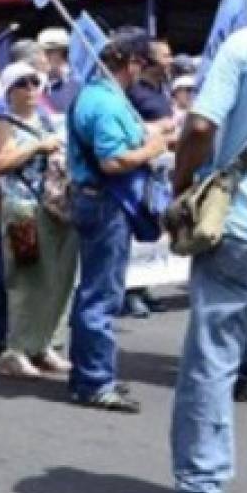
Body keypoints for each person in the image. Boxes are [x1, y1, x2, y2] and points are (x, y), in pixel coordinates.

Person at [170, 21, 247, 493]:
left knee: (213, 362)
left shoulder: (246, 45)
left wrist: (181, 181)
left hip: (241, 225)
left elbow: (201, 126)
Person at [67, 27, 166, 413]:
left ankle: (88, 376)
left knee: (96, 290)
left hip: (101, 200)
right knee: (102, 294)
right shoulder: (106, 103)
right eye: (145, 61)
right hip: (107, 201)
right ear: (133, 62)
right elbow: (113, 160)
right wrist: (153, 148)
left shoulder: (104, 97)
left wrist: (152, 134)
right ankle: (95, 382)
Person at [0, 62, 76, 379]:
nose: (31, 89)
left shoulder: (47, 121)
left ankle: (43, 343)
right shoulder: (4, 124)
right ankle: (16, 349)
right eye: (23, 84)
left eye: (35, 82)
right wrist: (36, 147)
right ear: (10, 91)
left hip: (51, 208)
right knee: (26, 280)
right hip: (21, 210)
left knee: (56, 279)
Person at [123, 38, 176, 319]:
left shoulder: (161, 91)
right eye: (165, 56)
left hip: (159, 174)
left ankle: (142, 287)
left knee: (153, 229)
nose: (171, 60)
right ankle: (130, 291)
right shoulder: (133, 93)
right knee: (136, 229)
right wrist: (159, 130)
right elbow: (132, 130)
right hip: (138, 173)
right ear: (149, 61)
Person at [36, 28, 79, 113]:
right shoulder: (41, 84)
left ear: (63, 52)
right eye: (41, 53)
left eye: (48, 52)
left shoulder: (75, 81)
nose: (43, 58)